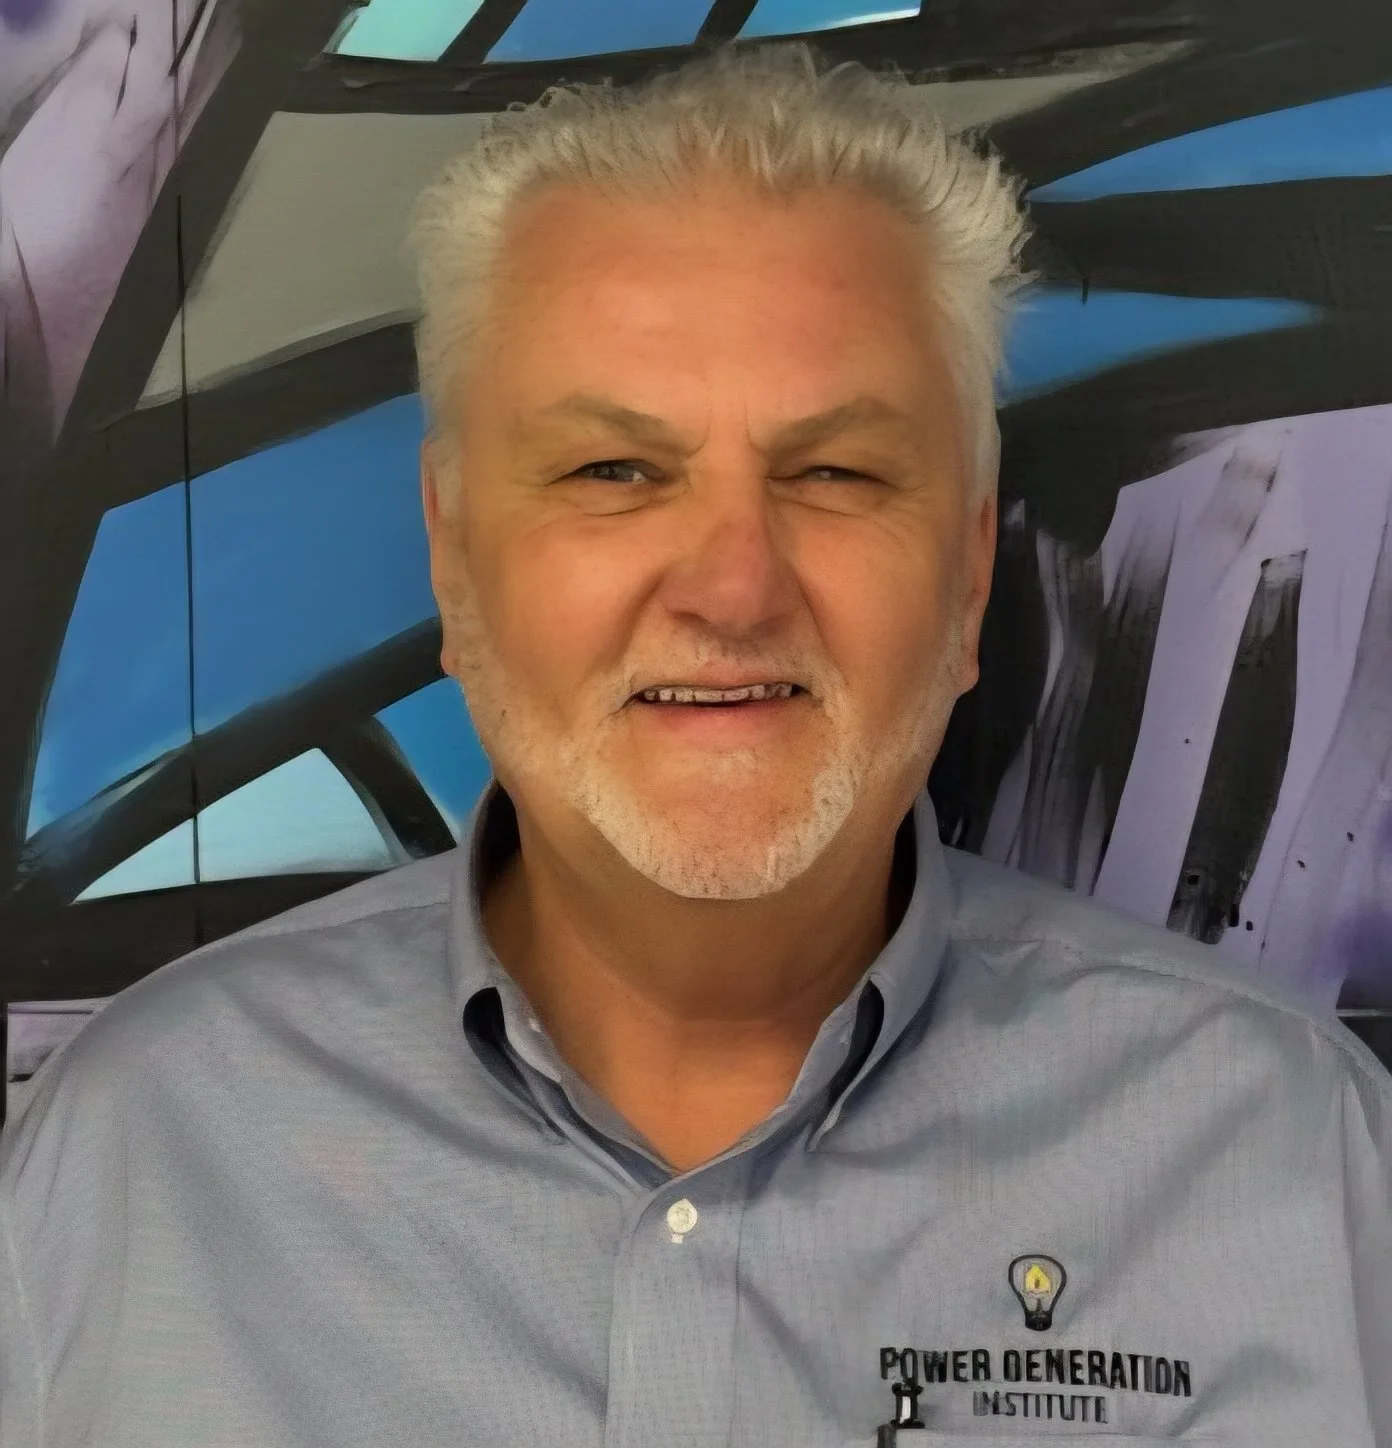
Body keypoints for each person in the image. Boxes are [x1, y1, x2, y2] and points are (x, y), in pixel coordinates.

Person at [1, 38, 1388, 1448]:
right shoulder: (130, 1169)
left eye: (835, 472)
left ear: (970, 574)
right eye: (615, 472)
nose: (733, 585)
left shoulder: (1288, 1161)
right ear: (457, 561)